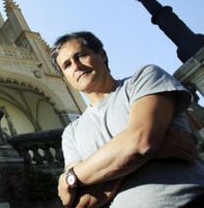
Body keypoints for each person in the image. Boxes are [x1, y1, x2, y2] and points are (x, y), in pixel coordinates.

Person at [51, 31, 204, 207]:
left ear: (102, 55)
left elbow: (141, 141)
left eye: (81, 55)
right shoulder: (71, 133)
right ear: (65, 77)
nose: (76, 66)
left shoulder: (144, 79)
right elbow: (80, 202)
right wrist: (149, 152)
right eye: (67, 65)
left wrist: (74, 176)